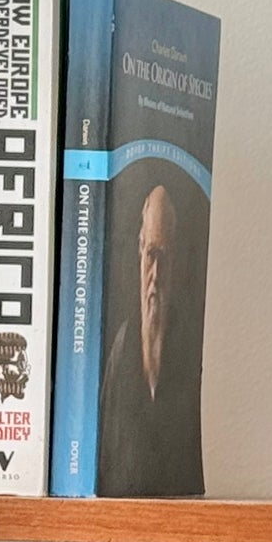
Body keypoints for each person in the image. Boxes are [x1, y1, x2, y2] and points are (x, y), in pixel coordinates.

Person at [97, 178, 204, 495]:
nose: (156, 275)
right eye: (151, 255)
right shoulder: (120, 348)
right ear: (140, 251)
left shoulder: (190, 353)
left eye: (165, 257)